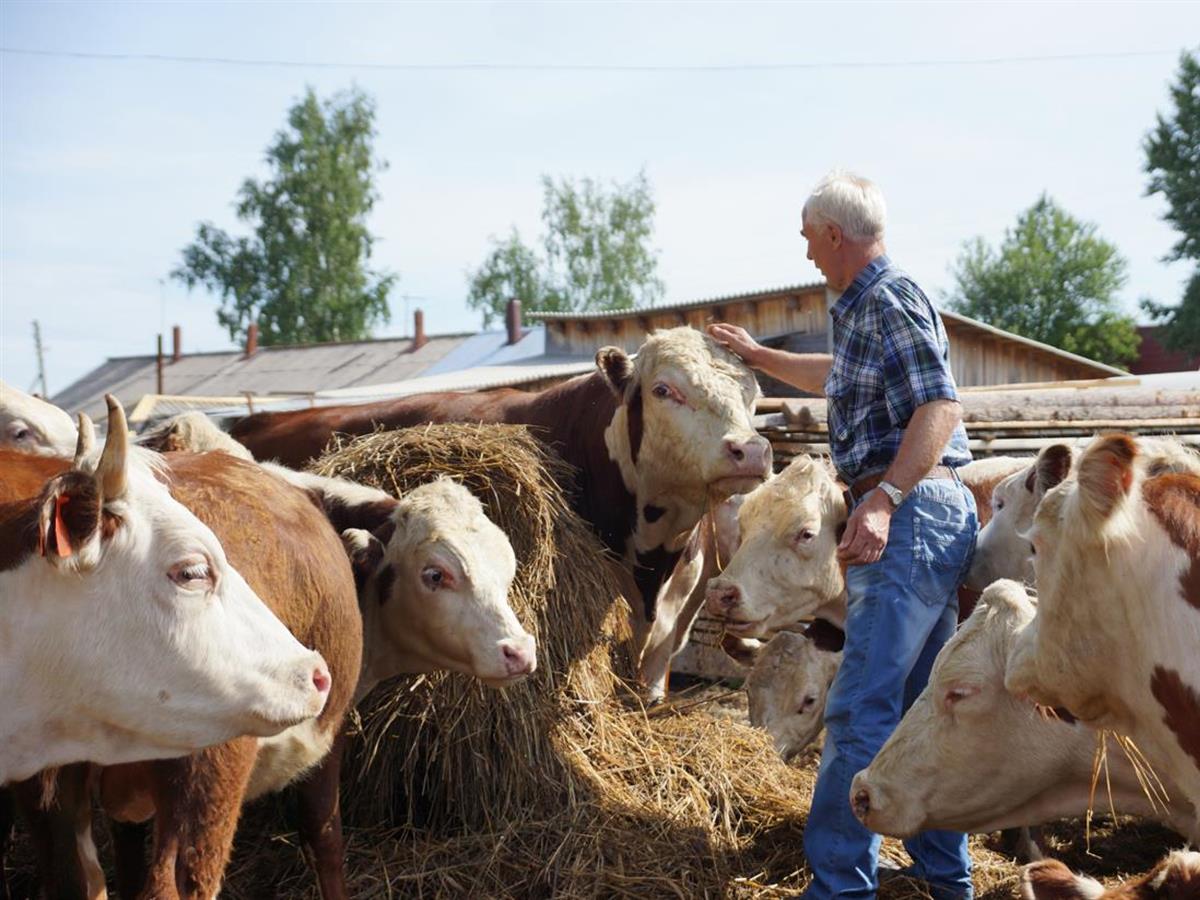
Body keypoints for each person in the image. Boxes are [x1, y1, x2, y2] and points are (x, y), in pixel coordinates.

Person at [708, 170, 976, 900]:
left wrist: (885, 498)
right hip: (925, 513)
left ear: (833, 232)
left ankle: (839, 888)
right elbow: (838, 376)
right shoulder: (864, 315)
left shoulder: (887, 298)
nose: (805, 256)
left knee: (858, 707)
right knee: (926, 710)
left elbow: (939, 409)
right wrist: (761, 358)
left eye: (807, 239)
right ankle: (944, 879)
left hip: (911, 514)